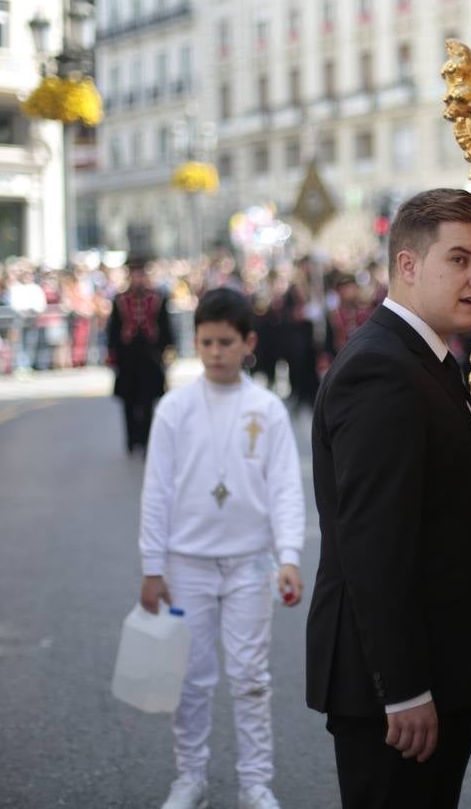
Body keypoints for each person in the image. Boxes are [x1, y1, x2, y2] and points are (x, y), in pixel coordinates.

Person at [305, 188, 471, 808]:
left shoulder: (422, 357)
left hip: (439, 665)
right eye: (459, 260)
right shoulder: (382, 371)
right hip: (397, 690)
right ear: (407, 265)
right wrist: (402, 689)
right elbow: (375, 547)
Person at [138, 287, 306, 809]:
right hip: (186, 566)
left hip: (251, 564)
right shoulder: (174, 408)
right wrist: (151, 566)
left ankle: (256, 784)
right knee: (189, 678)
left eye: (226, 342)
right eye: (206, 341)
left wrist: (290, 557)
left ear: (248, 342)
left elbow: (285, 487)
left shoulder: (266, 409)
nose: (215, 351)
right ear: (196, 341)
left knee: (251, 677)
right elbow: (157, 490)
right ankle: (190, 778)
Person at [107, 256, 175, 455]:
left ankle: (146, 439)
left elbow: (165, 327)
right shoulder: (120, 300)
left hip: (150, 357)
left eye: (141, 274)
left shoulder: (158, 299)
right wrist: (112, 354)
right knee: (129, 401)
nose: (138, 278)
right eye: (134, 274)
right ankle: (131, 440)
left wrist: (167, 350)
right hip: (127, 358)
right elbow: (114, 329)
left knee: (148, 399)